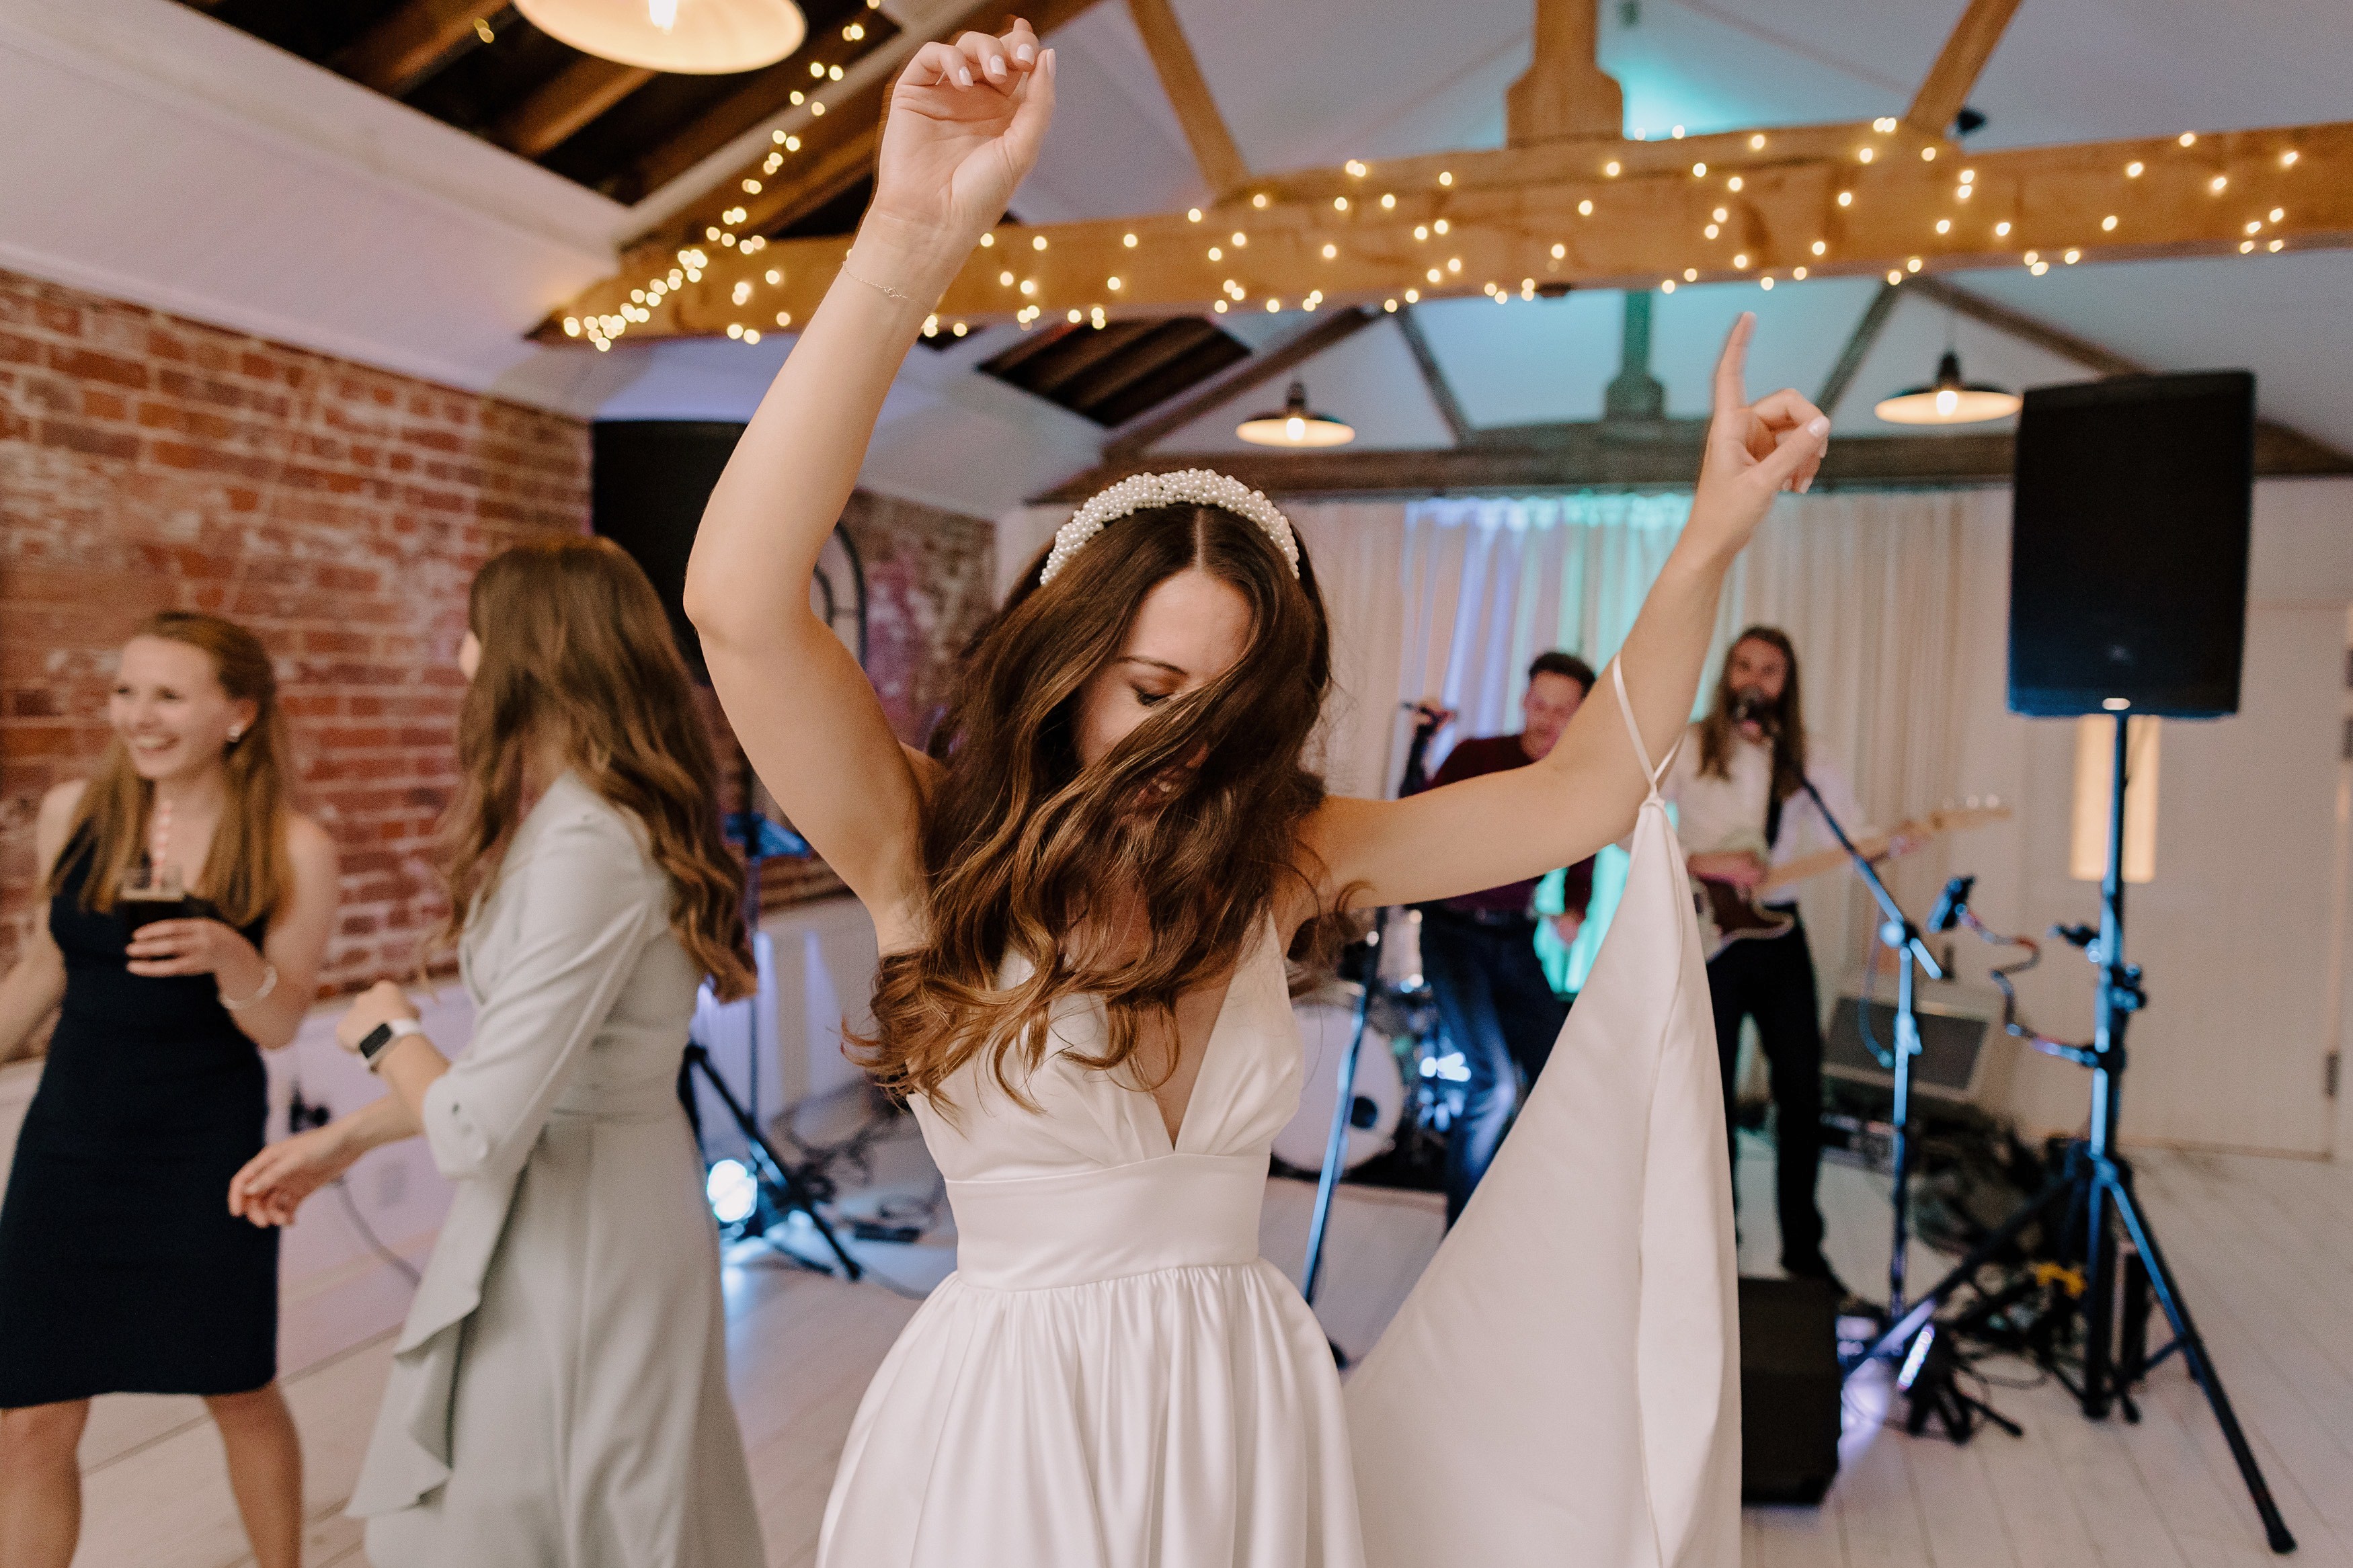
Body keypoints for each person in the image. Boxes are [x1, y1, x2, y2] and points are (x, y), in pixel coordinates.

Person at [680, 21, 1828, 1565]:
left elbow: (1585, 797)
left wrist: (1705, 543)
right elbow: (745, 601)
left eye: (1227, 712)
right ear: (1069, 665)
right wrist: (912, 232)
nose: (1181, 750)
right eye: (1152, 695)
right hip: (1011, 1430)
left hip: (1241, 1410)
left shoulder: (1283, 857)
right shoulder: (926, 842)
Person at [225, 538, 766, 1566]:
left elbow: (477, 1127)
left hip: (585, 1234)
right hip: (588, 1199)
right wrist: (346, 1140)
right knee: (563, 1511)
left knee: (532, 1517)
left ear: (529, 654)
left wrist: (386, 1031)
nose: (463, 661)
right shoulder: (585, 822)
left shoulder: (589, 843)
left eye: (475, 635)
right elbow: (526, 1076)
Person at [0, 612, 340, 1568]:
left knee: (235, 1385)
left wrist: (231, 955)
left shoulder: (292, 845)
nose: (137, 717)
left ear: (237, 713)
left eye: (167, 695)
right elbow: (39, 973)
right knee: (30, 1416)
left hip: (204, 1144)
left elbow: (276, 1023)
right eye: (126, 691)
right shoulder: (77, 812)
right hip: (70, 1136)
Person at [1662, 626, 1872, 1288]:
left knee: (1802, 1092)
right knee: (1710, 1098)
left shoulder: (1805, 754)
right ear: (1725, 675)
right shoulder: (1689, 743)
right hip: (1710, 938)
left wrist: (1896, 841)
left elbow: (1854, 828)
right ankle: (1716, 1246)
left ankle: (1802, 1251)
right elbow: (1622, 821)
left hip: (1783, 935)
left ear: (1786, 682)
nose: (1753, 678)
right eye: (1743, 665)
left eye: (1769, 669)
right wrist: (1694, 859)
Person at [1400, 651, 1601, 1222]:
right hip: (1454, 935)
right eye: (1540, 704)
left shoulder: (1571, 780)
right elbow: (1412, 818)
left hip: (1515, 942)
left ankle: (1538, 1221)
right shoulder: (1477, 756)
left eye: (1563, 711)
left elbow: (1584, 850)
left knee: (1565, 1074)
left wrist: (1576, 909)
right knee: (1491, 1085)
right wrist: (1420, 745)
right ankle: (1461, 1237)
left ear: (1582, 717)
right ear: (1524, 701)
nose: (1547, 720)